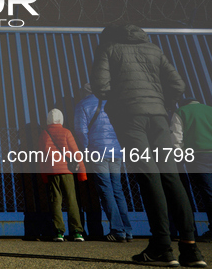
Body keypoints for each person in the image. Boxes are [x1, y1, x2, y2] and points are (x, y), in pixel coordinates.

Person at [91, 23, 206, 267]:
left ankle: (162, 247)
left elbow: (100, 86)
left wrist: (121, 100)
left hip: (130, 117)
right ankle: (191, 249)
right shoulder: (153, 49)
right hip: (159, 117)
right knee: (171, 178)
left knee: (148, 177)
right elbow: (178, 85)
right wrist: (160, 104)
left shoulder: (108, 49)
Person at [74, 82, 133, 242]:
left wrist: (87, 149)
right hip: (116, 150)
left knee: (106, 190)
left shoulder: (82, 105)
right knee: (118, 190)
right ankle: (127, 230)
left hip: (98, 151)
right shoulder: (112, 103)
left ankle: (117, 230)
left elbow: (81, 130)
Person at [40, 108, 87, 242]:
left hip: (52, 172)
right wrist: (82, 172)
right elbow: (76, 152)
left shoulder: (44, 134)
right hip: (67, 171)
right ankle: (77, 232)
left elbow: (41, 157)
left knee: (56, 201)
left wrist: (44, 175)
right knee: (72, 201)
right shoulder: (66, 132)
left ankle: (59, 232)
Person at [171, 97, 212, 243]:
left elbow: (176, 138)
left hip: (198, 155)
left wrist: (179, 157)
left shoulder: (181, 112)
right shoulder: (209, 110)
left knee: (208, 191)